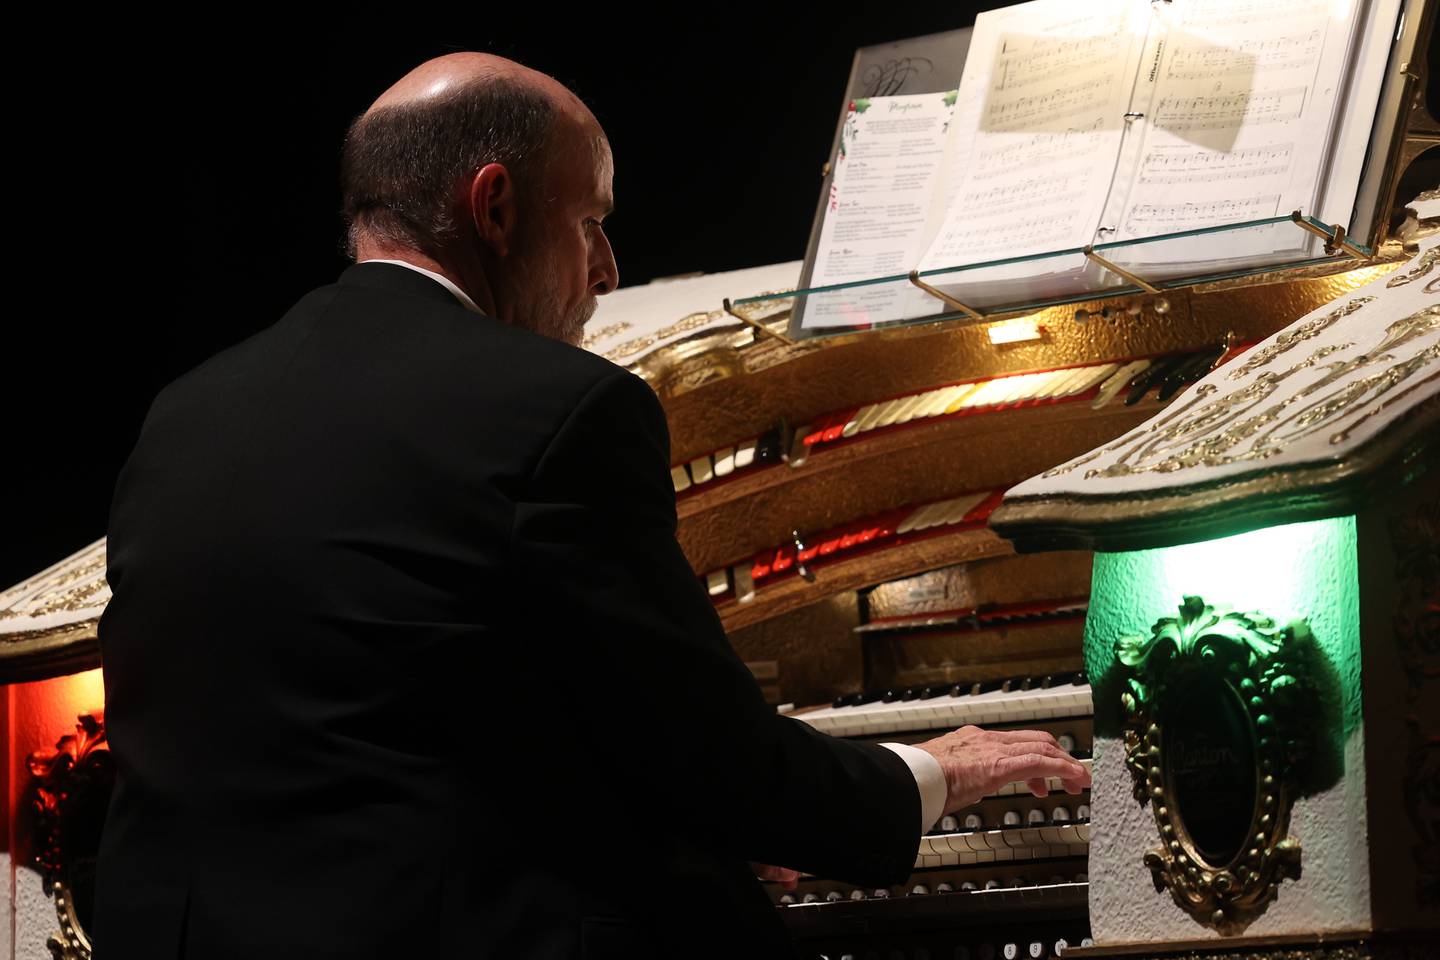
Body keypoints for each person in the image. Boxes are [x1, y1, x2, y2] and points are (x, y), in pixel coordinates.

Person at [93, 53, 1089, 959]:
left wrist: (677, 819)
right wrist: (928, 773)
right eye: (591, 223)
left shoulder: (184, 417)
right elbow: (720, 765)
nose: (608, 271)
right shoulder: (554, 412)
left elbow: (395, 725)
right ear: (494, 209)